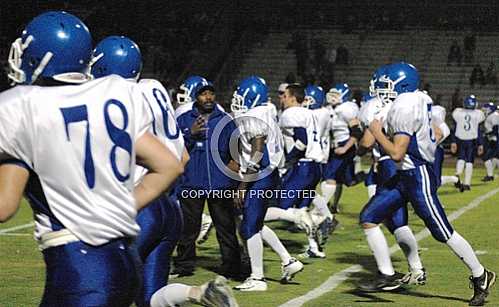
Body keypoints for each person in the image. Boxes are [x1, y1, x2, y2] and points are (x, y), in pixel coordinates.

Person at [0, 12, 184, 306]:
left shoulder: (24, 109)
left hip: (78, 268)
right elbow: (169, 164)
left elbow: (4, 205)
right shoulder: (107, 103)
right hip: (122, 262)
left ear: (40, 56)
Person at [90, 35, 238, 307]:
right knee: (150, 298)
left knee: (102, 285)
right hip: (169, 209)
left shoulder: (115, 100)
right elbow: (181, 158)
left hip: (141, 206)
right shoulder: (152, 89)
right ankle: (199, 293)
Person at [364, 62, 495, 306]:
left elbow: (396, 154)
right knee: (369, 216)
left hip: (415, 176)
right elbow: (434, 131)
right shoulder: (415, 100)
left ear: (401, 85)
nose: (383, 89)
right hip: (403, 176)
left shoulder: (405, 106)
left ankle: (481, 275)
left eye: (388, 85)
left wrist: (377, 131)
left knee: (442, 232)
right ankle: (386, 273)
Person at [230, 76, 304, 291]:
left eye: (240, 95)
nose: (236, 99)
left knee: (249, 227)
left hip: (260, 175)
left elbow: (258, 152)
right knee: (254, 222)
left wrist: (243, 186)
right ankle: (288, 261)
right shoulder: (266, 110)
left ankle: (258, 278)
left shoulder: (253, 116)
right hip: (269, 174)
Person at [357, 64, 426, 290]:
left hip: (388, 165)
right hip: (407, 165)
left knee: (371, 218)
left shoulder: (376, 105)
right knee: (396, 221)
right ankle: (416, 268)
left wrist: (364, 138)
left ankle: (386, 273)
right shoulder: (412, 101)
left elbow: (367, 142)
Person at [175, 79, 243, 279]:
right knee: (189, 229)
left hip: (220, 182)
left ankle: (232, 267)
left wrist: (234, 163)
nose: (208, 98)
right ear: (196, 97)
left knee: (226, 228)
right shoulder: (184, 120)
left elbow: (236, 146)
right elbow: (174, 148)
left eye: (211, 94)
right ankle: (184, 266)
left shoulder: (225, 120)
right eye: (204, 94)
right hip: (192, 181)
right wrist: (190, 133)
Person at [264, 83, 323, 259]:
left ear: (292, 97)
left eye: (284, 95)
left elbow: (302, 141)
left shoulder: (291, 113)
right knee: (303, 207)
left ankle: (317, 220)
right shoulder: (309, 113)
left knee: (282, 207)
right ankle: (314, 247)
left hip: (302, 166)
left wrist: (288, 159)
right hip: (315, 166)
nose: (281, 98)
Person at [323, 83, 360, 214]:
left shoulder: (346, 109)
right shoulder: (329, 109)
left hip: (344, 144)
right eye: (331, 94)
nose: (332, 97)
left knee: (329, 177)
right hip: (335, 145)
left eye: (336, 95)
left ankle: (321, 209)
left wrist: (345, 148)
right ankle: (333, 206)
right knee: (338, 179)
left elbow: (357, 132)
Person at [451, 95, 485, 191]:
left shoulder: (458, 112)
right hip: (471, 140)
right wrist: (480, 143)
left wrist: (453, 141)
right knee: (469, 161)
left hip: (460, 139)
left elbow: (455, 127)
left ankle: (457, 176)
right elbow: (478, 129)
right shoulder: (478, 114)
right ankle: (466, 183)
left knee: (461, 158)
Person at [481, 102, 499, 181]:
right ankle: (490, 175)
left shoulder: (494, 115)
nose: (484, 110)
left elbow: (495, 130)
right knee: (496, 157)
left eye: (486, 108)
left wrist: (486, 134)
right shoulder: (492, 115)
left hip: (495, 139)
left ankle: (490, 175)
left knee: (486, 157)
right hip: (493, 138)